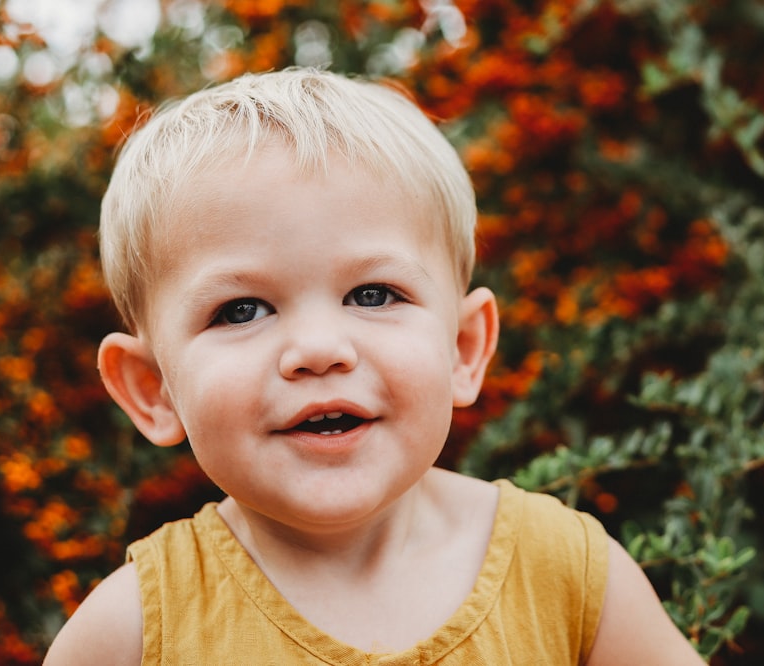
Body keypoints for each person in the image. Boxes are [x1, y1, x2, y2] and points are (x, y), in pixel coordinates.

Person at [44, 67, 705, 665]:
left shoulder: (567, 575)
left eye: (373, 295)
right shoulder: (131, 633)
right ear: (152, 387)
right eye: (242, 310)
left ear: (463, 349)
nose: (319, 350)